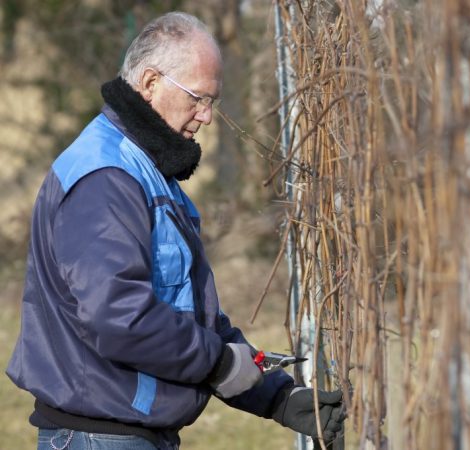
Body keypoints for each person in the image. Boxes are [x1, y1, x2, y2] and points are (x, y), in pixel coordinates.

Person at [6, 11, 345, 450]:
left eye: (213, 102)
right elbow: (120, 318)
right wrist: (219, 363)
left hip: (129, 434)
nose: (206, 116)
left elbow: (187, 315)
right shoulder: (106, 179)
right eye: (197, 98)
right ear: (149, 84)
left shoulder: (150, 174)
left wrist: (277, 397)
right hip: (99, 437)